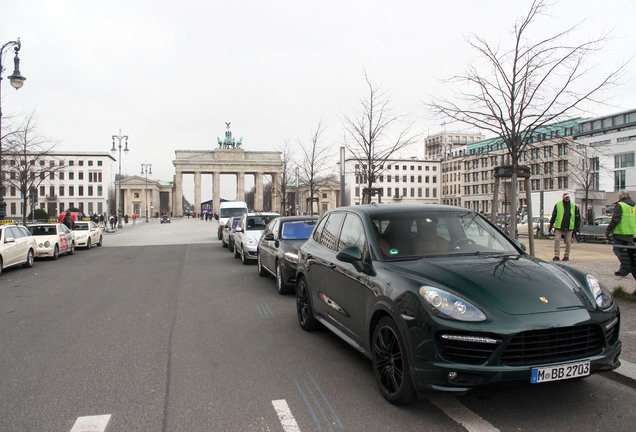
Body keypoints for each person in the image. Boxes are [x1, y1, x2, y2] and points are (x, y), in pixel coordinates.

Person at [605, 190, 636, 276]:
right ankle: (623, 270)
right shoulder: (634, 206)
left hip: (620, 232)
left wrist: (608, 230)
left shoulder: (620, 205)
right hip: (630, 232)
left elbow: (615, 219)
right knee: (628, 252)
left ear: (621, 197)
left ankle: (628, 266)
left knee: (617, 250)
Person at [549, 192, 580, 261]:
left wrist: (577, 228)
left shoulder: (573, 206)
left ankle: (566, 255)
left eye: (568, 196)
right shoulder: (558, 204)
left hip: (569, 226)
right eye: (565, 196)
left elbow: (577, 218)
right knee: (557, 240)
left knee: (568, 241)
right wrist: (551, 225)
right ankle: (556, 255)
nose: (567, 198)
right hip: (559, 225)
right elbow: (554, 215)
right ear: (563, 197)